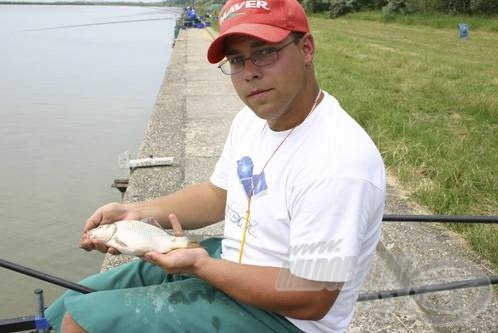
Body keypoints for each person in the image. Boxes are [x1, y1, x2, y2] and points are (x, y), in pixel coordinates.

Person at [45, 0, 386, 332]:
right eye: (237, 60)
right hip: (231, 263)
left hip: (285, 318)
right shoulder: (251, 120)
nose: (250, 72)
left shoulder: (338, 161)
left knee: (84, 320)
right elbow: (217, 195)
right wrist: (135, 211)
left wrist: (202, 267)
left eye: (265, 52)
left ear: (306, 48)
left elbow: (313, 295)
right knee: (74, 299)